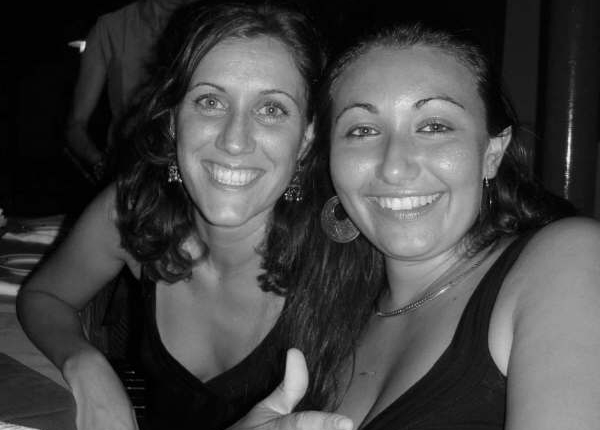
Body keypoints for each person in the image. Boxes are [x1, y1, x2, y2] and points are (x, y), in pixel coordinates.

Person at [243, 23, 600, 430]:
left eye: (434, 127)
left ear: (492, 152)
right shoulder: (329, 320)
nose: (394, 166)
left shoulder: (564, 260)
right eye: (363, 131)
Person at [16, 3, 352, 430]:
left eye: (271, 109)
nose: (234, 140)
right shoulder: (137, 208)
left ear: (306, 137)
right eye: (210, 101)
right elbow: (45, 297)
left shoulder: (345, 258)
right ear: (174, 120)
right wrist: (86, 363)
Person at [65, 0, 194, 181]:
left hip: (190, 171)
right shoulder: (110, 28)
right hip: (129, 173)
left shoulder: (207, 23)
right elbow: (76, 125)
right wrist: (102, 164)